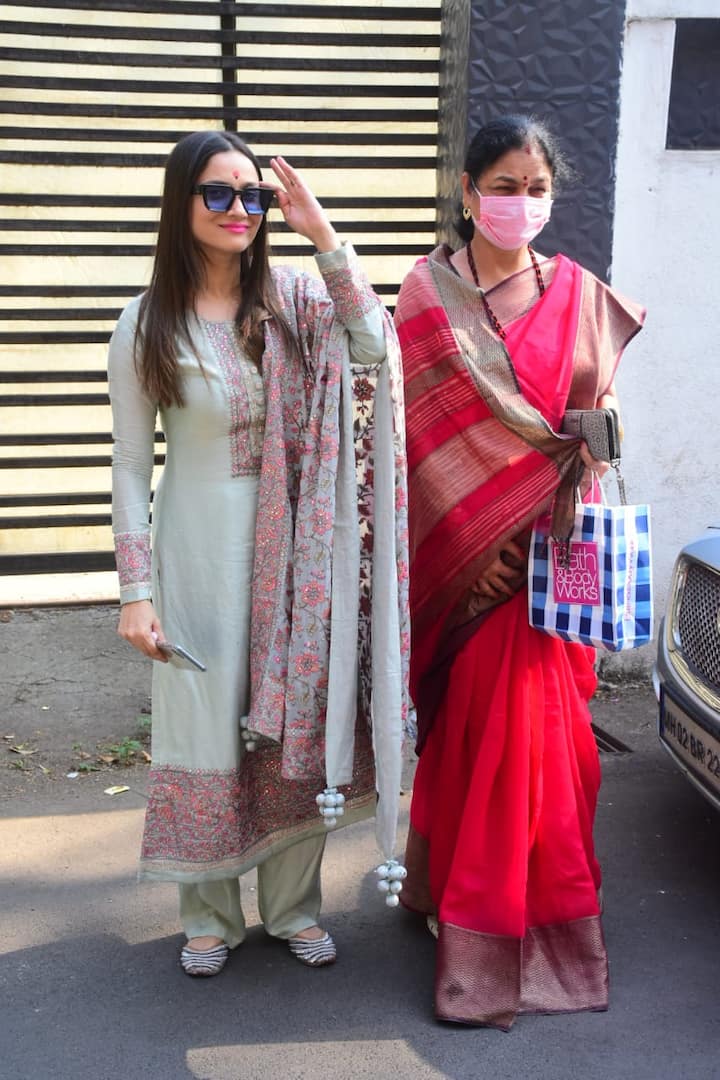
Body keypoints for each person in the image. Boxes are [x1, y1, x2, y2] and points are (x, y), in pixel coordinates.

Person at [108, 130, 408, 978]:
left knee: (292, 726)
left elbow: (376, 350)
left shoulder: (295, 300)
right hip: (196, 550)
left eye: (255, 197)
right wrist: (135, 590)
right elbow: (132, 463)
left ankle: (292, 907)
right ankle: (207, 911)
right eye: (219, 194)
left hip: (297, 556)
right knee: (204, 724)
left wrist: (324, 236)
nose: (240, 210)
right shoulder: (144, 323)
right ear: (182, 203)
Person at [394, 115, 644, 1029]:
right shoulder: (426, 294)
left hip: (553, 559)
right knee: (473, 737)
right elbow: (415, 438)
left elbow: (591, 415)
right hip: (467, 566)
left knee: (550, 746)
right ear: (467, 192)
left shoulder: (577, 292)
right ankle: (466, 919)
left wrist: (604, 414)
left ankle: (532, 919)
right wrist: (476, 545)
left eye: (537, 188)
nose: (521, 203)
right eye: (503, 185)